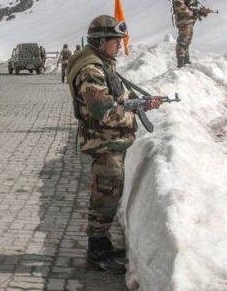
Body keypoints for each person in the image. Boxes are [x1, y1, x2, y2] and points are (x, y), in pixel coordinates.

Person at [66, 15, 163, 274]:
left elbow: (117, 97)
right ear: (101, 41)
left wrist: (141, 101)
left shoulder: (103, 64)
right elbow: (104, 111)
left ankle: (103, 245)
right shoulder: (92, 70)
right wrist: (133, 113)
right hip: (103, 143)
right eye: (115, 41)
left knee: (108, 195)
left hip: (109, 142)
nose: (119, 45)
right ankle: (96, 252)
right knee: (104, 197)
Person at [169, 0, 211, 67]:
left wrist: (202, 11)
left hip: (189, 22)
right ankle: (180, 63)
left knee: (187, 41)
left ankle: (186, 62)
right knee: (183, 41)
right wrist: (193, 13)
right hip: (183, 21)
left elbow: (196, 6)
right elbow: (180, 7)